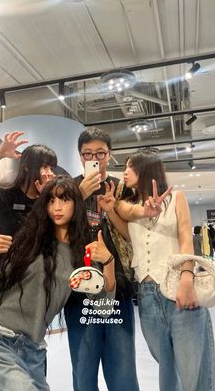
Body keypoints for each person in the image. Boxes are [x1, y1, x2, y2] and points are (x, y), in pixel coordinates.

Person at [0, 175, 115, 391]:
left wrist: (108, 260)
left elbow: (105, 308)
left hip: (32, 350)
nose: (57, 207)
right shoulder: (30, 240)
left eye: (64, 200)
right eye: (51, 201)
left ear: (76, 204)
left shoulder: (81, 256)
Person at [99, 150, 215, 391]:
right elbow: (128, 236)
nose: (125, 172)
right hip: (147, 295)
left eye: (131, 167)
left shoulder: (177, 198)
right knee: (166, 366)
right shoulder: (128, 207)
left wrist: (187, 276)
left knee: (192, 369)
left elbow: (186, 237)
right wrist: (111, 209)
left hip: (178, 289)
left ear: (146, 170)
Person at [64, 127, 140, 391]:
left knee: (123, 376)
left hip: (117, 290)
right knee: (83, 375)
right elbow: (57, 234)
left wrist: (111, 211)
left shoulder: (123, 189)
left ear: (110, 155)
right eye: (87, 154)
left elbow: (135, 238)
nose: (94, 158)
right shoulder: (70, 189)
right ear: (80, 156)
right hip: (79, 293)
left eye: (100, 153)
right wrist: (79, 196)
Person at [0, 132, 57, 310]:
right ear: (26, 168)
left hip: (33, 282)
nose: (50, 173)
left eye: (51, 168)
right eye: (45, 166)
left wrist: (46, 199)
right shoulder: (5, 193)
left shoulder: (51, 202)